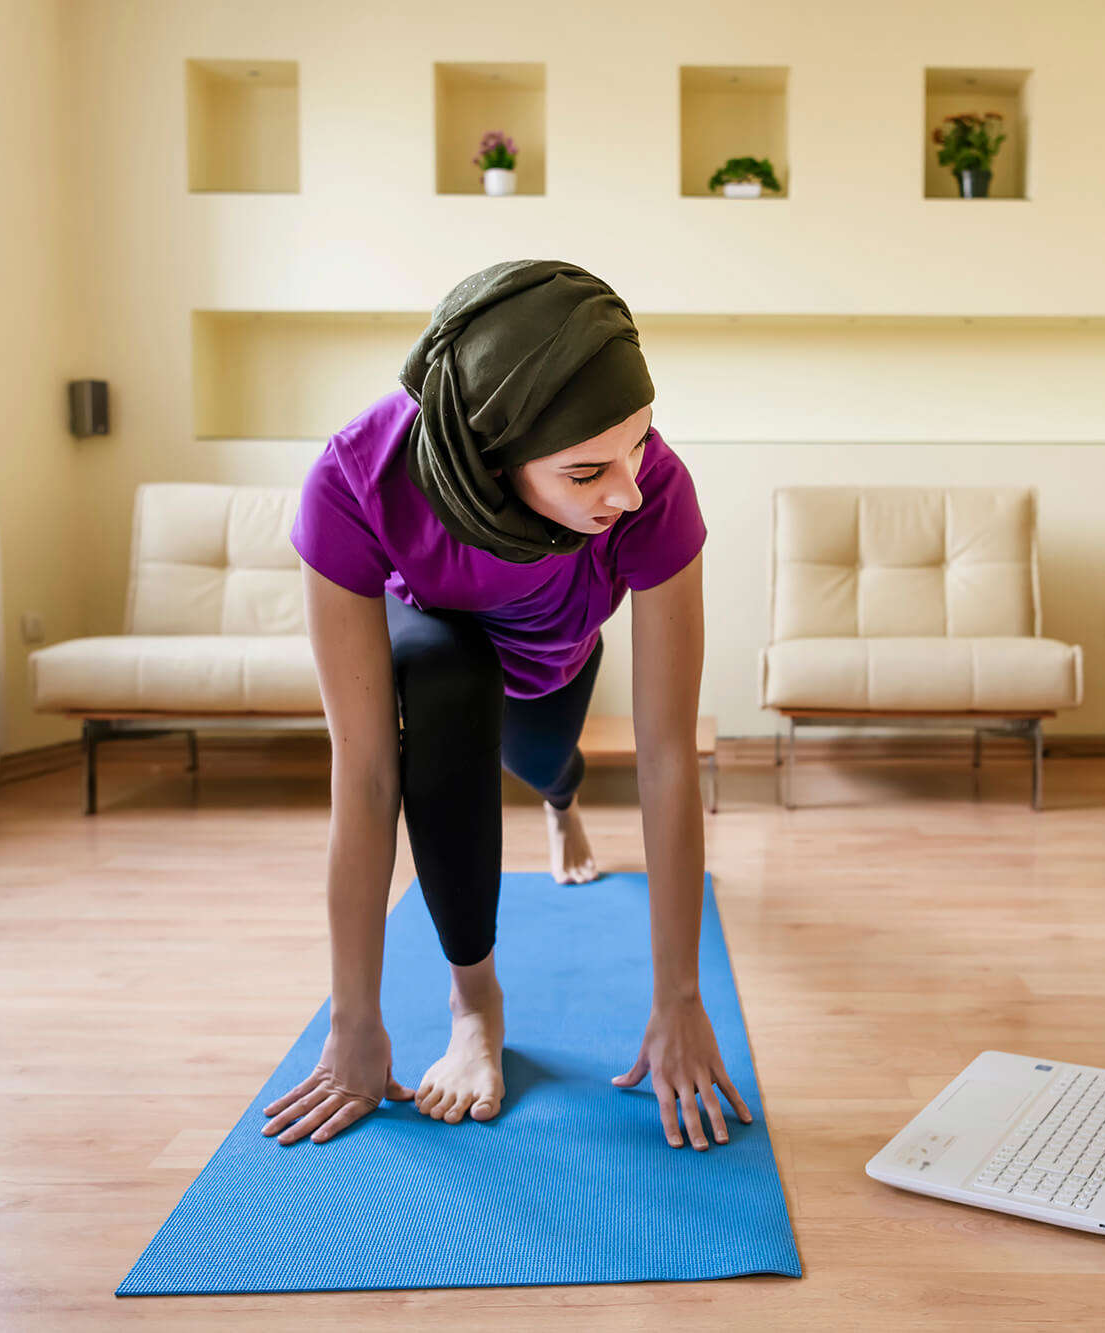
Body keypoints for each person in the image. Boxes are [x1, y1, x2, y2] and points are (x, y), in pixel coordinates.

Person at [257, 259, 753, 1154]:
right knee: (449, 694)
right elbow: (367, 774)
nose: (628, 487)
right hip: (438, 634)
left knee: (544, 761)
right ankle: (474, 1002)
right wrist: (355, 1023)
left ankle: (559, 803)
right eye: (590, 469)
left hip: (558, 654)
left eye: (640, 443)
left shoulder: (653, 490)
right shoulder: (354, 481)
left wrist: (680, 997)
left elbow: (666, 752)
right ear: (488, 452)